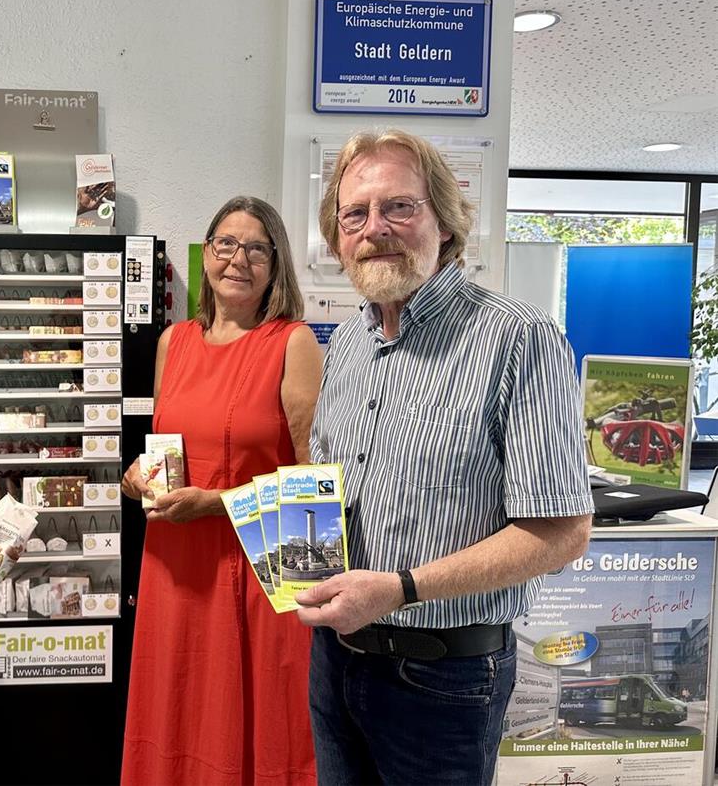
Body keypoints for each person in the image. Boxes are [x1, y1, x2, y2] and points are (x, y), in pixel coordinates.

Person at [299, 129, 594, 785]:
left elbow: (562, 533)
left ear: (444, 218)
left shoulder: (520, 339)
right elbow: (331, 480)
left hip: (442, 677)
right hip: (335, 660)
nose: (375, 227)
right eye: (355, 213)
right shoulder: (346, 342)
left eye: (398, 206)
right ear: (337, 234)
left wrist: (401, 588)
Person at [120, 196, 322, 786]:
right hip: (177, 562)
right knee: (179, 713)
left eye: (256, 248)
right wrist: (142, 478)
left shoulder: (294, 342)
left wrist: (218, 502)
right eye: (226, 244)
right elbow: (172, 450)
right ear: (207, 255)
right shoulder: (172, 342)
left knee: (269, 728)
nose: (239, 258)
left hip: (268, 569)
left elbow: (316, 486)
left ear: (276, 263)